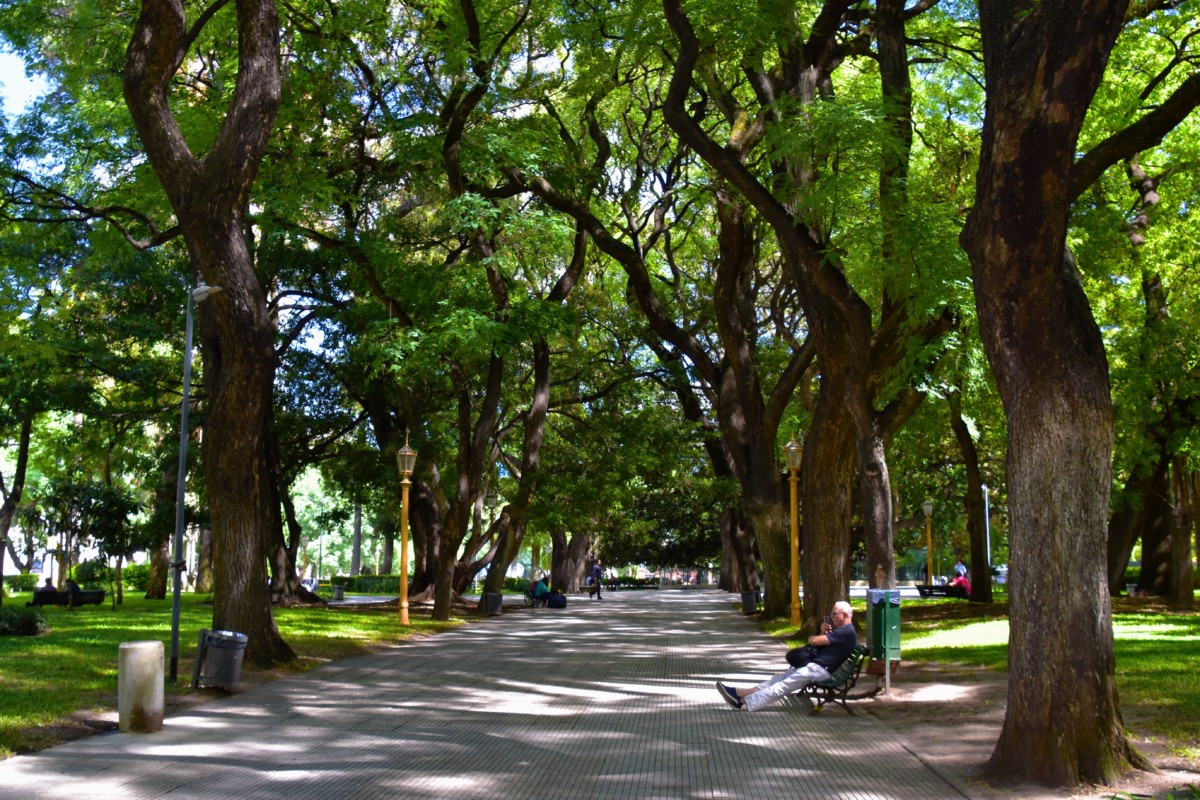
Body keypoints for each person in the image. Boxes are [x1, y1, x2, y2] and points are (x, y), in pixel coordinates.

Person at [716, 600, 857, 712]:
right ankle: (739, 693)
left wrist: (815, 636)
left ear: (844, 615)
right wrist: (822, 632)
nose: (832, 617)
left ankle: (741, 701)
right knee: (777, 680)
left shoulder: (846, 632)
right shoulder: (842, 631)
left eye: (835, 614)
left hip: (819, 670)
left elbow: (814, 641)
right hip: (814, 666)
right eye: (832, 614)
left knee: (782, 686)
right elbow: (820, 643)